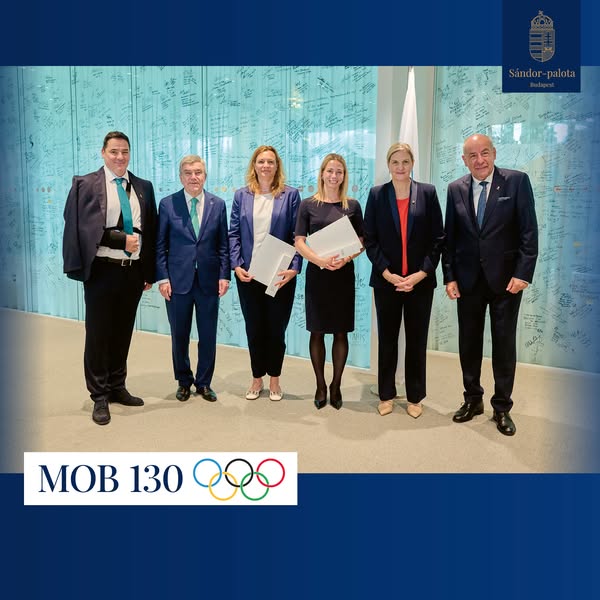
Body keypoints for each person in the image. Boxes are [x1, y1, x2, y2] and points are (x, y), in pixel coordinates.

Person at [443, 133, 538, 436]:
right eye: (472, 155)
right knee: (468, 344)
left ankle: (502, 407)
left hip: (506, 281)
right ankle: (473, 399)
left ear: (494, 153)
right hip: (468, 281)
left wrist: (523, 273)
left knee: (503, 344)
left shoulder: (516, 182)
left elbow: (529, 232)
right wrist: (449, 276)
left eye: (484, 153)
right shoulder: (455, 189)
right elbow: (449, 238)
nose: (479, 160)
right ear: (464, 160)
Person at [63, 131, 157, 426]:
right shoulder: (85, 184)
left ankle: (117, 386)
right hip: (102, 271)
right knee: (98, 334)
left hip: (132, 272)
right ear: (103, 153)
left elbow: (151, 230)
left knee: (122, 332)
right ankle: (99, 395)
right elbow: (80, 228)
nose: (120, 157)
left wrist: (148, 272)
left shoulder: (143, 186)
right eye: (114, 151)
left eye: (125, 151)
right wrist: (119, 240)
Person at [364, 142, 444, 418]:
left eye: (405, 162)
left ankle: (415, 396)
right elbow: (370, 239)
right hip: (386, 281)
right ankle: (386, 394)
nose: (400, 167)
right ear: (388, 165)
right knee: (387, 340)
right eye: (395, 162)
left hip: (420, 282)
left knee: (416, 340)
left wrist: (421, 274)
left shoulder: (428, 193)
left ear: (412, 164)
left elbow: (438, 239)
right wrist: (387, 273)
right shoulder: (377, 195)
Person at [228, 145, 302, 401]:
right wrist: (236, 265)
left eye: (270, 161)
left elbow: (297, 236)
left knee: (276, 329)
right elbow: (233, 233)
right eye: (261, 161)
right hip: (248, 275)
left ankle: (275, 379)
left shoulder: (290, 195)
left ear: (277, 165)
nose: (266, 166)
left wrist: (294, 268)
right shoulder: (241, 195)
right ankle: (257, 377)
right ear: (254, 165)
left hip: (279, 275)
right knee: (254, 328)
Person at [156, 155, 230, 403]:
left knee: (208, 335)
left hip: (209, 280)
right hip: (178, 282)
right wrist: (163, 278)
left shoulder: (218, 204)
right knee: (180, 335)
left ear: (205, 176)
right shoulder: (168, 204)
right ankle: (184, 381)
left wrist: (224, 275)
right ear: (181, 177)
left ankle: (204, 382)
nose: (193, 177)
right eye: (188, 173)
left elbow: (223, 245)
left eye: (198, 172)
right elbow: (160, 245)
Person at [294, 154, 364, 410]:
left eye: (339, 172)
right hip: (318, 275)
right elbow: (299, 240)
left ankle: (336, 385)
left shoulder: (353, 205)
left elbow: (362, 241)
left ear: (344, 176)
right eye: (330, 171)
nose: (334, 176)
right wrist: (319, 260)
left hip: (343, 276)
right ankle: (320, 385)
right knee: (317, 331)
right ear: (322, 173)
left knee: (340, 332)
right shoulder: (307, 205)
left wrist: (346, 259)